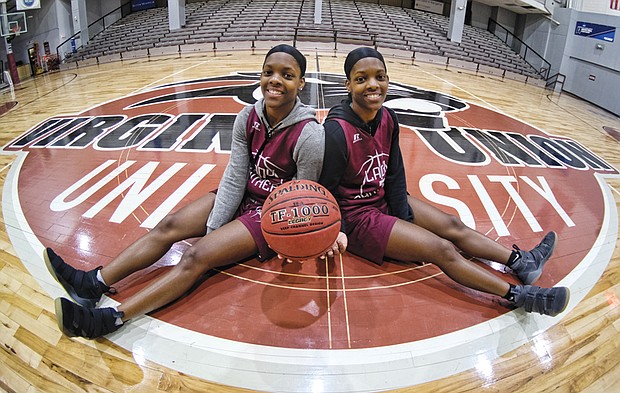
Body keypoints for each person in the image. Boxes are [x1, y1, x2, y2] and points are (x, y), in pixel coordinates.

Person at [46, 44, 345, 339]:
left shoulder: (309, 135)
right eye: (268, 72)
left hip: (271, 213)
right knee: (170, 224)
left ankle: (111, 319)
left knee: (194, 257)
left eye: (287, 74)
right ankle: (93, 282)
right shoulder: (247, 117)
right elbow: (235, 174)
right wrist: (217, 225)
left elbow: (302, 198)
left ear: (301, 83)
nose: (275, 80)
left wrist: (289, 242)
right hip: (244, 195)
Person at [318, 47, 569, 317]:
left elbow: (394, 173)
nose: (373, 85)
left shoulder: (388, 117)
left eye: (380, 77)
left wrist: (403, 216)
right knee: (442, 249)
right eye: (361, 79)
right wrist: (339, 230)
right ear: (348, 85)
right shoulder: (336, 130)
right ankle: (520, 296)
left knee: (452, 224)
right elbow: (327, 190)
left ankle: (523, 262)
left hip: (381, 199)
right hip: (357, 218)